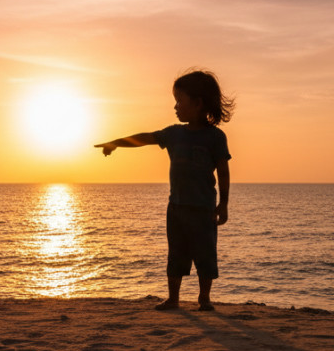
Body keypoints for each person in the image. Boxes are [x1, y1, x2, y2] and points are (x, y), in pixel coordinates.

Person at [95, 69, 234, 311]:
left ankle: (204, 298)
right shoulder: (173, 134)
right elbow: (145, 138)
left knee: (205, 254)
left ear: (198, 103)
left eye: (179, 100)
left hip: (203, 209)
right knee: (176, 254)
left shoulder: (215, 137)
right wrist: (115, 143)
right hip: (177, 207)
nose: (175, 107)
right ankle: (173, 298)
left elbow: (223, 171)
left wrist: (223, 204)